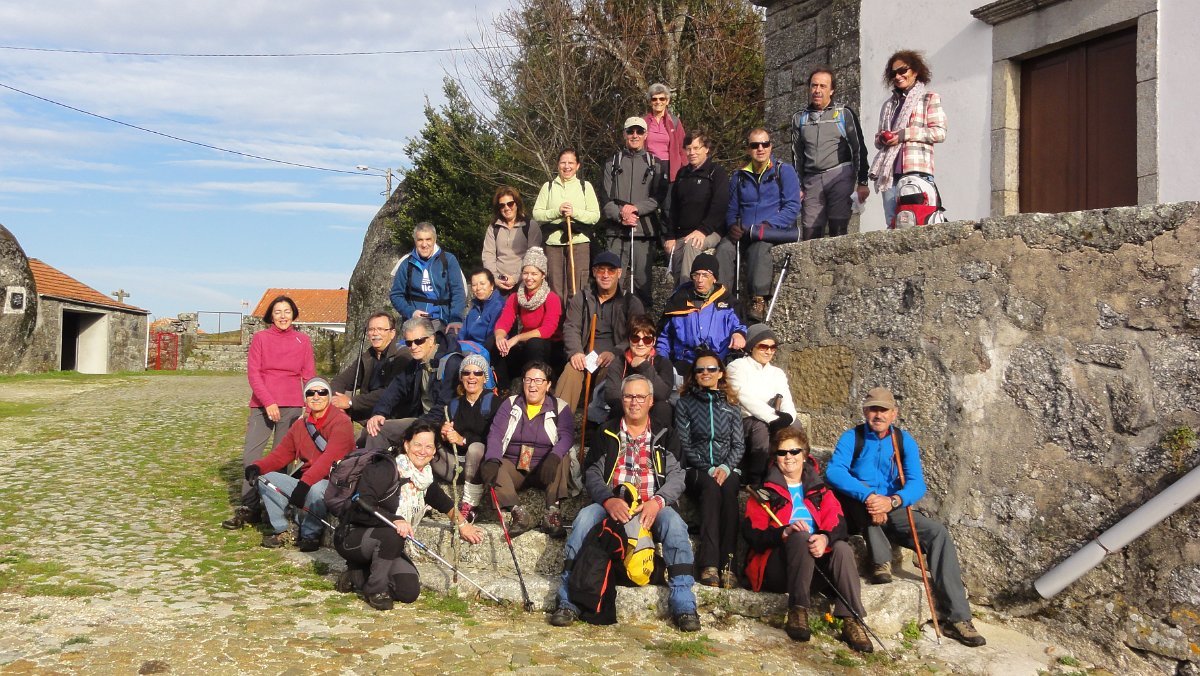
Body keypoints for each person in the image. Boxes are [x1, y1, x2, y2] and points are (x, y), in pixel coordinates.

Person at [825, 387, 987, 648]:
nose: (878, 415)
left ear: (894, 414)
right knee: (864, 505)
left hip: (892, 507)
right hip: (858, 507)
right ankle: (881, 562)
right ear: (865, 411)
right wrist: (867, 495)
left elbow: (916, 484)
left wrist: (893, 501)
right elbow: (835, 472)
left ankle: (958, 617)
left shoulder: (903, 441)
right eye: (873, 409)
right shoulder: (851, 438)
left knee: (937, 533)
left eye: (883, 410)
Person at [548, 375, 700, 632]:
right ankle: (567, 599)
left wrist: (658, 502)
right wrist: (608, 499)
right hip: (613, 502)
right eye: (629, 396)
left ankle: (683, 604)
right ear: (622, 399)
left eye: (640, 397)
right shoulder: (606, 431)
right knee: (584, 518)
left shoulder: (665, 434)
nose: (634, 402)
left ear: (650, 401)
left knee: (676, 525)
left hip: (651, 505)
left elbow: (677, 476)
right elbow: (592, 474)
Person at [743, 426, 873, 653]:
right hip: (777, 568)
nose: (789, 457)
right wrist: (783, 532)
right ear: (776, 458)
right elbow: (753, 534)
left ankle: (851, 619)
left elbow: (839, 525)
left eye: (794, 451)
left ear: (805, 455)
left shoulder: (822, 491)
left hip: (814, 567)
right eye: (782, 453)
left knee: (842, 548)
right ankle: (798, 609)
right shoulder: (763, 492)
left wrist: (824, 538)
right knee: (800, 536)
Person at [333, 421, 483, 610]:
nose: (423, 451)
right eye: (418, 445)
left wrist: (463, 525)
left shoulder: (424, 478)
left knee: (408, 591)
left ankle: (357, 575)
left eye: (429, 446)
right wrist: (395, 519)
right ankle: (375, 590)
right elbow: (361, 504)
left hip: (388, 544)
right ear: (406, 445)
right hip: (354, 536)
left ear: (434, 451)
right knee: (393, 533)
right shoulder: (386, 469)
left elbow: (446, 504)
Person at [223, 295, 315, 530]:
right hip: (262, 405)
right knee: (251, 457)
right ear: (270, 316)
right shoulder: (261, 339)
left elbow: (309, 375)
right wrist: (268, 402)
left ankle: (273, 504)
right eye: (278, 312)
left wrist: (310, 406)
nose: (283, 316)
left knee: (280, 458)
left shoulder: (302, 341)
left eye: (287, 311)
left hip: (292, 405)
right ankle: (249, 507)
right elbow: (254, 373)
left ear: (294, 314)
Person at [243, 377, 354, 551]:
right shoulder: (301, 425)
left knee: (316, 490)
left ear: (329, 396)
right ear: (305, 398)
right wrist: (258, 467)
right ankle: (283, 529)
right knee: (266, 479)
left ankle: (311, 535)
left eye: (322, 392)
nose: (316, 396)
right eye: (310, 393)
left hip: (333, 481)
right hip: (308, 479)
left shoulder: (342, 423)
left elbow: (329, 459)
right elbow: (281, 454)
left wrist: (304, 484)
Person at [480, 361, 575, 538]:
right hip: (515, 467)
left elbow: (567, 436)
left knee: (563, 456)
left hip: (545, 469)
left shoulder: (560, 407)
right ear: (522, 383)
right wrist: (492, 459)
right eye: (528, 380)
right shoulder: (510, 404)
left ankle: (552, 513)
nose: (533, 385)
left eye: (539, 381)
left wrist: (553, 456)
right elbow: (495, 433)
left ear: (548, 385)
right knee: (494, 463)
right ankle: (518, 513)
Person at [676, 350, 744, 589]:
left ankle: (728, 566)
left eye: (711, 369)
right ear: (694, 375)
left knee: (729, 492)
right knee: (711, 490)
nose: (705, 373)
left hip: (727, 468)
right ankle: (709, 564)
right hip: (698, 469)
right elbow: (685, 443)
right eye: (700, 369)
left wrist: (725, 467)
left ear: (720, 373)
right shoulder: (685, 404)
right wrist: (710, 467)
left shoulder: (731, 405)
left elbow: (738, 444)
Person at [718, 128, 801, 321]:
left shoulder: (784, 171)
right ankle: (721, 297)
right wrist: (732, 225)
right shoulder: (739, 177)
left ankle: (758, 298)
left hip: (770, 230)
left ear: (771, 146)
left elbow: (792, 206)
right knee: (723, 249)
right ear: (748, 149)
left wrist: (767, 225)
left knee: (760, 247)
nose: (760, 149)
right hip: (743, 230)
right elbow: (732, 208)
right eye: (755, 145)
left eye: (765, 144)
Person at [555, 250, 644, 414]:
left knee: (611, 371)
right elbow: (571, 327)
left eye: (611, 270)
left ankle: (596, 426)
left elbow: (637, 335)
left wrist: (615, 353)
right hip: (584, 356)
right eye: (601, 270)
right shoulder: (581, 298)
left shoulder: (630, 302)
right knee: (570, 371)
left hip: (613, 357)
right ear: (594, 272)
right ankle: (558, 425)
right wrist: (575, 352)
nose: (605, 275)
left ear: (619, 273)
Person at [790, 67, 870, 241]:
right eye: (814, 86)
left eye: (823, 86)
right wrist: (798, 185)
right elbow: (797, 155)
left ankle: (839, 269)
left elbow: (859, 149)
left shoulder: (843, 114)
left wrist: (863, 182)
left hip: (839, 175)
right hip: (812, 180)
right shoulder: (799, 118)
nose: (817, 90)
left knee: (838, 230)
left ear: (831, 90)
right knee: (810, 234)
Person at [868, 50, 946, 228]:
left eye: (903, 70)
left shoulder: (929, 98)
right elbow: (878, 138)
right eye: (893, 73)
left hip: (916, 171)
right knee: (892, 224)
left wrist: (904, 135)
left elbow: (939, 132)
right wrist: (883, 139)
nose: (898, 76)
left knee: (918, 224)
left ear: (915, 71)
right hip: (889, 174)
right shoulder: (889, 105)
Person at [363, 317, 460, 451]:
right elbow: (395, 389)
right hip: (421, 420)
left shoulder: (451, 363)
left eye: (419, 341)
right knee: (372, 427)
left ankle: (376, 469)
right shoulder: (416, 364)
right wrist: (379, 413)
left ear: (431, 340)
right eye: (409, 343)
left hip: (441, 424)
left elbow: (445, 406)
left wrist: (417, 426)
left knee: (378, 431)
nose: (413, 347)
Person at [602, 117, 669, 307]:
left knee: (642, 284)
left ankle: (642, 330)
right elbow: (605, 198)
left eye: (639, 132)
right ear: (624, 134)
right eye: (630, 131)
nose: (635, 135)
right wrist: (621, 213)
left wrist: (635, 208)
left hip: (643, 232)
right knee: (611, 281)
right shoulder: (611, 163)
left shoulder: (655, 164)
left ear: (645, 135)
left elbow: (658, 198)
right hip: (616, 232)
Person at [726, 324, 798, 484]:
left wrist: (788, 417)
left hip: (772, 417)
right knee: (760, 427)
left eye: (773, 347)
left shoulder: (777, 373)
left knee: (796, 426)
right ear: (751, 347)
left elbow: (786, 397)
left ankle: (794, 474)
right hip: (744, 421)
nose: (769, 351)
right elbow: (745, 398)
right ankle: (755, 478)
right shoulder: (736, 367)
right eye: (764, 346)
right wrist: (773, 418)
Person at [656, 253, 746, 376]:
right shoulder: (678, 300)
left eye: (705, 275)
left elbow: (740, 326)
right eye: (696, 275)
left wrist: (739, 334)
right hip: (684, 363)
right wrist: (662, 362)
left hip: (718, 362)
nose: (699, 280)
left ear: (714, 278)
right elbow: (663, 336)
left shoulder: (728, 302)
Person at [433, 353, 499, 524]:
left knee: (476, 448)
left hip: (478, 466)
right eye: (466, 373)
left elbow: (494, 438)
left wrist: (463, 440)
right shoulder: (453, 404)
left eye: (477, 373)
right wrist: (443, 433)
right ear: (461, 377)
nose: (471, 377)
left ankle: (470, 503)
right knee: (426, 442)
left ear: (485, 378)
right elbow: (443, 432)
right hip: (454, 464)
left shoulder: (495, 403)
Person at [532, 148, 600, 305]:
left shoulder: (585, 186)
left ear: (578, 166)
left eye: (571, 163)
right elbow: (537, 214)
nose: (567, 166)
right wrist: (557, 211)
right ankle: (557, 326)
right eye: (563, 162)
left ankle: (576, 325)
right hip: (553, 244)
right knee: (555, 287)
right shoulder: (548, 186)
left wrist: (574, 212)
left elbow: (595, 216)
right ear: (557, 165)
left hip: (579, 242)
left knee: (577, 287)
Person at [493, 247, 562, 386]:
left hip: (548, 346)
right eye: (525, 273)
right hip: (525, 344)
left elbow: (547, 330)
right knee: (496, 345)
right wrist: (500, 337)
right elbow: (504, 321)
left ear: (543, 275)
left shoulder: (552, 298)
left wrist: (517, 337)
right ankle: (504, 387)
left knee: (534, 343)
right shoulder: (515, 297)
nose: (529, 278)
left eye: (534, 274)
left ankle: (537, 384)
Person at [667, 131, 729, 284]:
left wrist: (703, 230)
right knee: (677, 253)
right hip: (683, 233)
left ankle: (688, 295)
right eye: (688, 149)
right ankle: (678, 298)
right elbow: (673, 208)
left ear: (706, 149)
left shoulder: (716, 172)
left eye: (696, 148)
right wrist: (670, 236)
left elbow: (720, 205)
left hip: (709, 231)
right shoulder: (682, 174)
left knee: (692, 245)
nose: (692, 153)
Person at [330, 311, 408, 425]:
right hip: (367, 411)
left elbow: (390, 391)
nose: (375, 333)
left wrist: (351, 402)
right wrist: (335, 401)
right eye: (371, 329)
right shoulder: (368, 356)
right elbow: (341, 380)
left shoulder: (402, 356)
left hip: (393, 414)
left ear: (392, 333)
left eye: (381, 329)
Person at [389, 222, 467, 332]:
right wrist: (411, 312)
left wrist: (455, 318)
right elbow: (396, 295)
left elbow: (458, 292)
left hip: (443, 320)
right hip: (415, 322)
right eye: (420, 240)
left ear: (435, 240)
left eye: (428, 239)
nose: (424, 244)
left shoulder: (448, 260)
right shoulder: (406, 263)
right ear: (415, 241)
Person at [600, 314, 675, 419]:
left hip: (652, 410)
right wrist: (634, 402)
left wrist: (644, 366)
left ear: (653, 341)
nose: (640, 343)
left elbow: (663, 394)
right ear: (629, 340)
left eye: (647, 339)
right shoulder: (619, 362)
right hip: (626, 409)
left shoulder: (664, 363)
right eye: (635, 338)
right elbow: (612, 395)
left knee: (663, 408)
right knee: (617, 408)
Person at [483, 186, 542, 294]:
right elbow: (488, 255)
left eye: (510, 203)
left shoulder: (530, 226)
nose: (506, 208)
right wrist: (495, 278)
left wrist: (515, 278)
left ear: (517, 204)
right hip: (499, 285)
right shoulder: (493, 228)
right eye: (502, 205)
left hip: (525, 284)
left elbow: (533, 257)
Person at [459, 268, 506, 374]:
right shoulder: (475, 307)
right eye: (474, 285)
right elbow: (463, 333)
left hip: (486, 352)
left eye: (482, 284)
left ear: (492, 285)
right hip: (468, 349)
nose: (478, 288)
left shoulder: (498, 306)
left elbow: (491, 336)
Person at [642, 83, 687, 184]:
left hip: (670, 168)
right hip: (648, 167)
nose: (658, 102)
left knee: (668, 199)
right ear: (650, 102)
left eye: (662, 99)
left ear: (667, 101)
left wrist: (685, 169)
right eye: (654, 99)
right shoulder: (643, 122)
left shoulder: (675, 122)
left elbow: (682, 148)